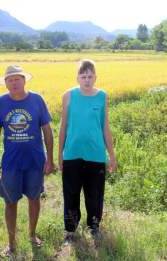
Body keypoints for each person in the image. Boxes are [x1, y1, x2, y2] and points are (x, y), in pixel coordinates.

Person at [0, 65, 54, 256]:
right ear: (6, 83)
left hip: (35, 161)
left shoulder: (37, 100)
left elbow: (47, 131)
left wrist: (50, 159)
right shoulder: (1, 103)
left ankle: (32, 235)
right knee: (10, 202)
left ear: (24, 80)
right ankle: (11, 243)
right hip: (11, 163)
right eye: (10, 79)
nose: (14, 82)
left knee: (34, 198)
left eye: (17, 78)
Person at [58, 59, 117, 244]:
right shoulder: (68, 96)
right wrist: (59, 154)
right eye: (83, 76)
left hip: (96, 154)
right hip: (72, 153)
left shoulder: (102, 96)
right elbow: (63, 126)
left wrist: (112, 155)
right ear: (77, 77)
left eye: (90, 76)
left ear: (95, 77)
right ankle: (70, 231)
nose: (87, 80)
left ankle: (94, 226)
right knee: (71, 193)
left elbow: (105, 126)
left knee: (95, 194)